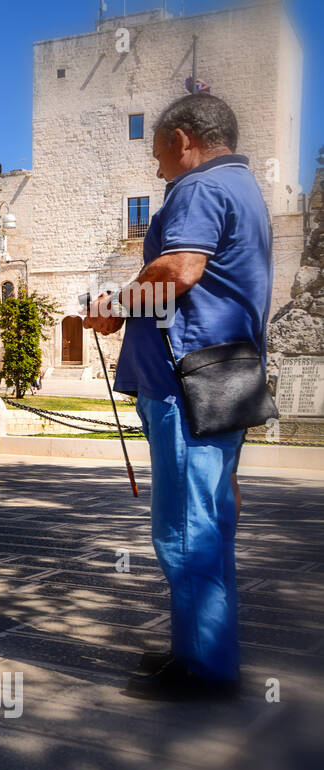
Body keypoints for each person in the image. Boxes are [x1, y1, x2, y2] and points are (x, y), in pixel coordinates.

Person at [85, 92, 268, 701]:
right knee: (210, 519)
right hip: (229, 372)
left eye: (160, 152)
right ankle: (198, 648)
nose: (158, 168)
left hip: (185, 380)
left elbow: (178, 271)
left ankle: (205, 670)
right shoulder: (243, 187)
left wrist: (112, 307)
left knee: (185, 527)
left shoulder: (195, 189)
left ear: (184, 139)